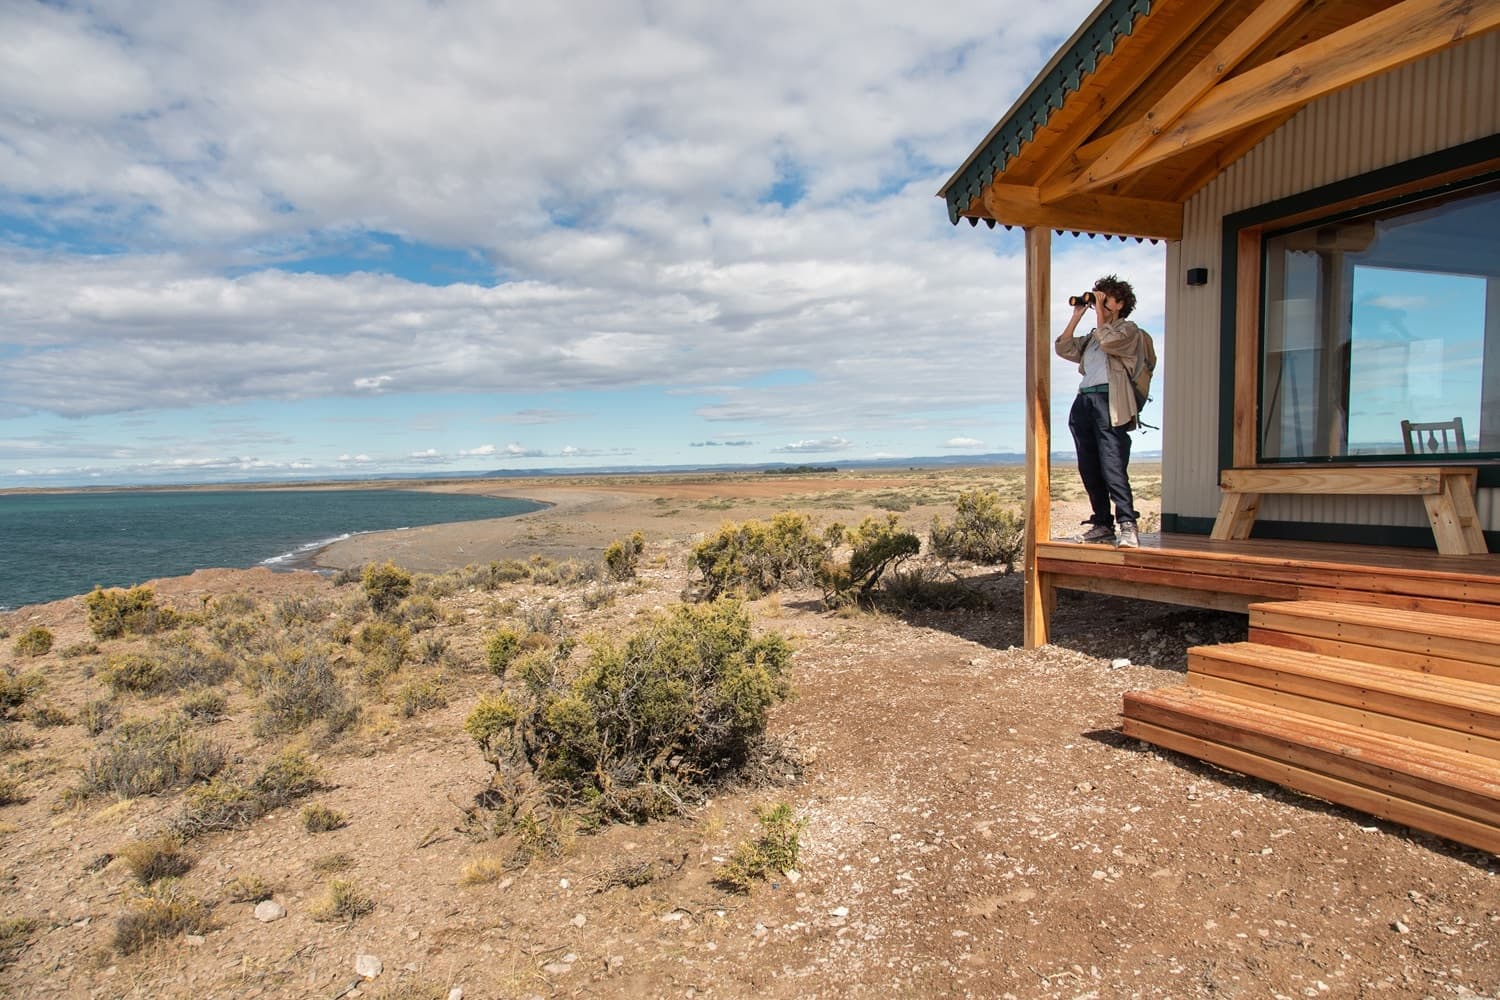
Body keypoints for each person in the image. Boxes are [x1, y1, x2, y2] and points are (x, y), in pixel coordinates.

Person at [1055, 274, 1155, 548]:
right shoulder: (1093, 337)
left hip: (1110, 402)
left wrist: (1099, 311)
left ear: (1120, 303)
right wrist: (1077, 314)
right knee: (1089, 466)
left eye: (1105, 297)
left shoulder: (1129, 330)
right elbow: (1063, 348)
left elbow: (1111, 343)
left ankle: (1127, 524)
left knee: (1112, 465)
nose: (1099, 301)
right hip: (1085, 402)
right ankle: (1102, 523)